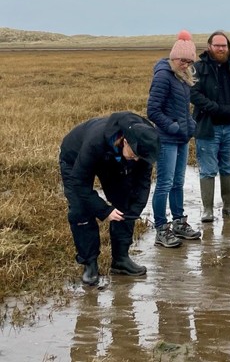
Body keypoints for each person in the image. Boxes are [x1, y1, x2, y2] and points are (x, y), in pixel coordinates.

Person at [60, 111, 159, 285]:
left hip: (114, 159)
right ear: (126, 141)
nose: (136, 160)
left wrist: (134, 210)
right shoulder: (95, 142)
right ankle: (90, 264)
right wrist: (104, 210)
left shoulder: (144, 143)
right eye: (134, 155)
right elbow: (79, 183)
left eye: (139, 157)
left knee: (125, 201)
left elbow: (142, 183)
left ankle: (120, 259)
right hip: (75, 158)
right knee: (80, 208)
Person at [146, 30, 201, 248]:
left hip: (182, 138)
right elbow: (153, 110)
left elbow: (183, 109)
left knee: (178, 182)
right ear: (173, 57)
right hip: (166, 139)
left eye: (189, 61)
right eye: (182, 60)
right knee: (164, 184)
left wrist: (190, 125)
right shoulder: (163, 76)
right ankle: (161, 228)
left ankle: (179, 222)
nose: (185, 64)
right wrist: (173, 126)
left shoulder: (182, 79)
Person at [191, 31, 230, 222]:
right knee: (208, 169)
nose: (221, 49)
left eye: (224, 45)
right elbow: (194, 94)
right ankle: (207, 209)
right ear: (209, 47)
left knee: (228, 167)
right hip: (208, 127)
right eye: (217, 45)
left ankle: (228, 206)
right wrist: (215, 108)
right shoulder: (198, 68)